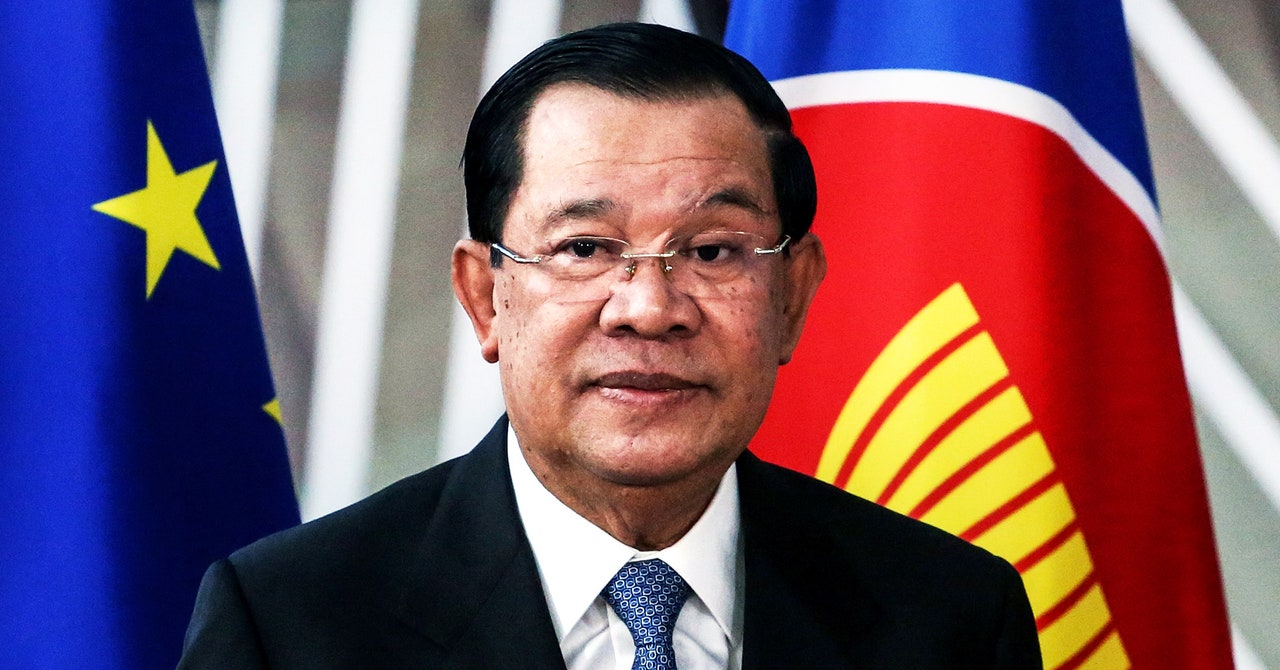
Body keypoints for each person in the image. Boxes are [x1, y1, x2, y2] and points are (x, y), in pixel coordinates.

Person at [177, 22, 1041, 669]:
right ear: (483, 296)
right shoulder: (291, 625)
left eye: (712, 252)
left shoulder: (951, 617)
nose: (648, 309)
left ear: (792, 295)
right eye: (585, 248)